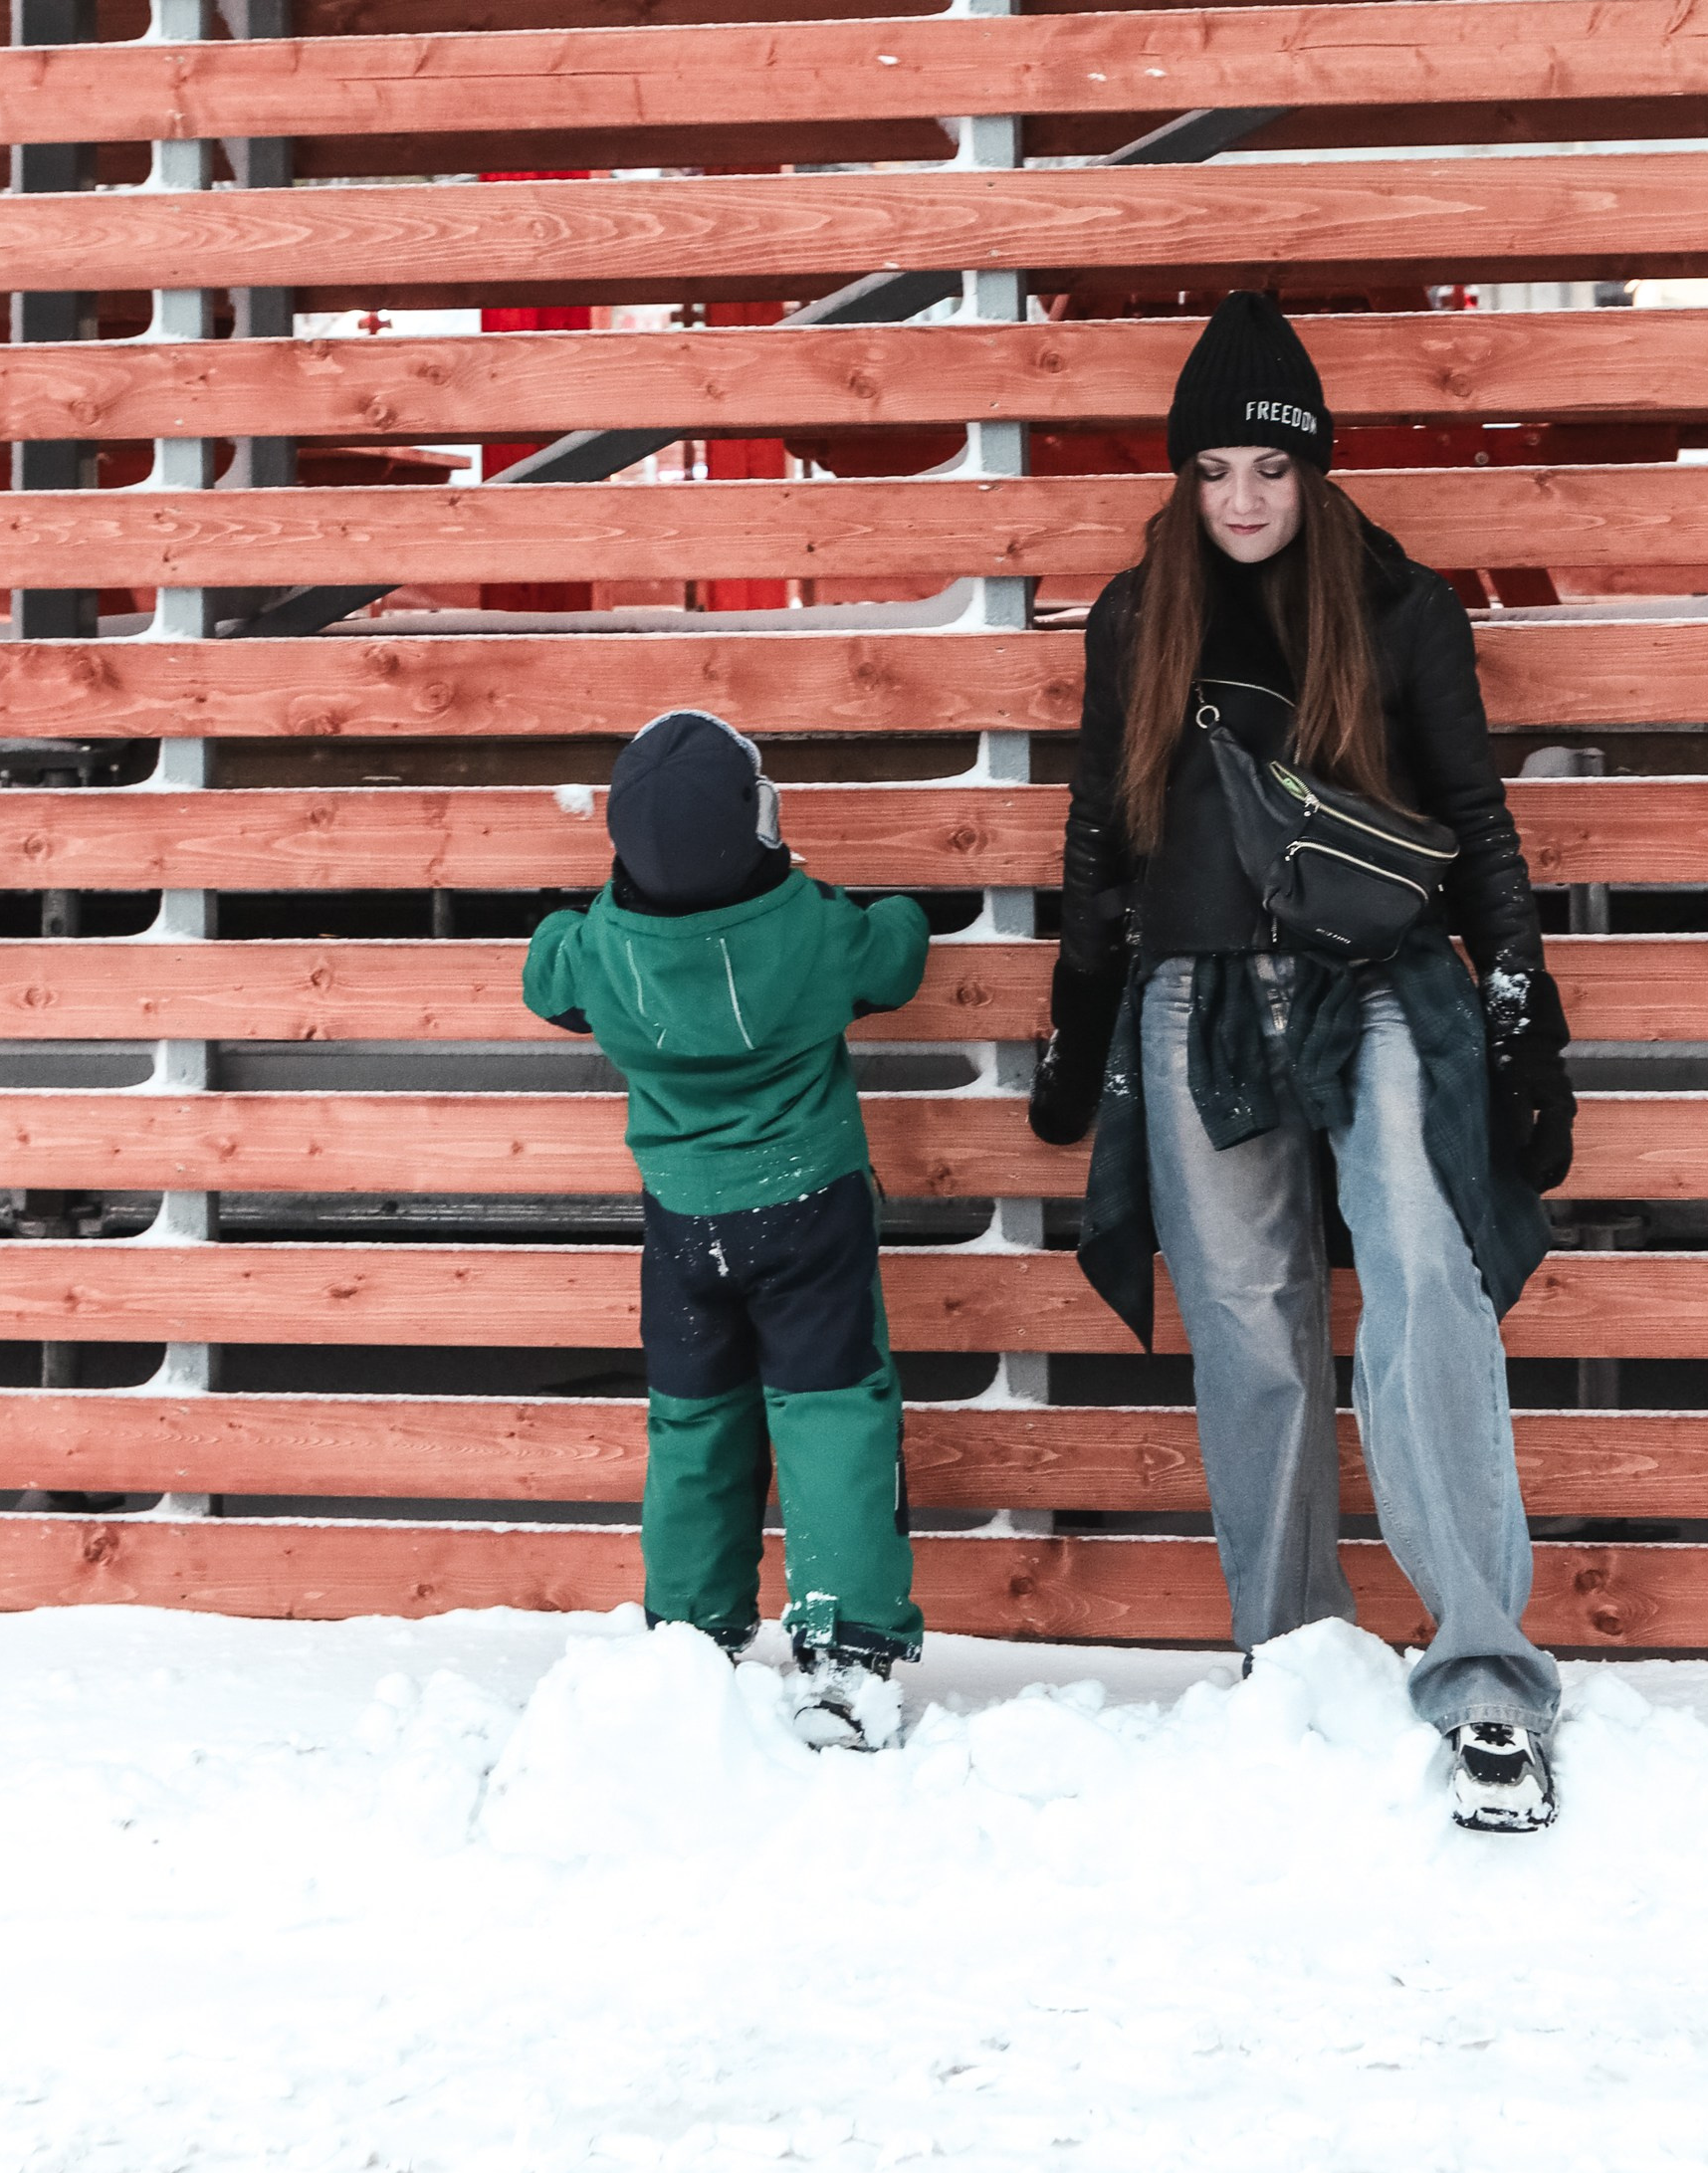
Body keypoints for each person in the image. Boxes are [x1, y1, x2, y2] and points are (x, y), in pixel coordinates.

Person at [1030, 291, 1578, 1833]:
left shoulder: (1397, 605)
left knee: (1418, 1278)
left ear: (1311, 470)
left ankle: (1484, 1680)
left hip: (1377, 990)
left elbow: (1469, 814)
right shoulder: (1142, 613)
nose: (1241, 500)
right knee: (1249, 1333)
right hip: (1191, 1000)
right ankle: (1289, 1662)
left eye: (1266, 469)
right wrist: (1078, 1015)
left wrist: (1520, 987)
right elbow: (1099, 831)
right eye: (1211, 472)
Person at [524, 710, 932, 1751]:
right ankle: (847, 1650)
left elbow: (546, 974)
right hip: (809, 1207)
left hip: (682, 1220)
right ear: (758, 820)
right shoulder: (810, 929)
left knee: (693, 1420)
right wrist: (895, 908)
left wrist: (568, 921)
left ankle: (691, 1633)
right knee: (832, 1414)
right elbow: (896, 954)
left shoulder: (601, 950)